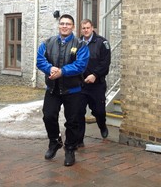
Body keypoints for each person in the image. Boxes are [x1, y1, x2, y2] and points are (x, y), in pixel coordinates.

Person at [36, 14, 89, 166]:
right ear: (59, 26)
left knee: (72, 122)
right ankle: (55, 141)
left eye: (68, 24)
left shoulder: (80, 44)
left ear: (73, 27)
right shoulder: (47, 42)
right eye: (62, 23)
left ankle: (70, 148)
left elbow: (81, 65)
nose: (64, 26)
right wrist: (49, 68)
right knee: (48, 116)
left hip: (73, 90)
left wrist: (62, 71)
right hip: (53, 89)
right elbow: (40, 60)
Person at [78, 19, 111, 147]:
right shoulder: (77, 43)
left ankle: (102, 125)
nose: (86, 30)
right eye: (83, 28)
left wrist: (95, 75)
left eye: (88, 27)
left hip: (97, 85)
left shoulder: (102, 43)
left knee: (99, 111)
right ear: (81, 29)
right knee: (78, 112)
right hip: (81, 85)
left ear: (92, 28)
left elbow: (105, 63)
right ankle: (79, 140)